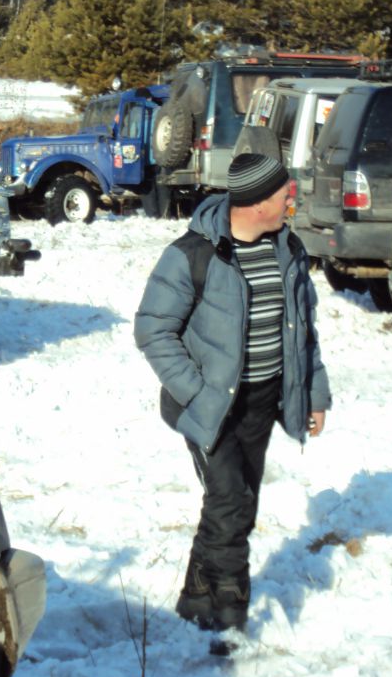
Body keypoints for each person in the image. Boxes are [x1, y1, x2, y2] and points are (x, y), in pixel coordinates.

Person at [134, 152, 332, 636]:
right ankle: (228, 618)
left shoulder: (287, 249)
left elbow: (303, 331)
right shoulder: (193, 254)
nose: (291, 201)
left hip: (261, 401)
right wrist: (197, 392)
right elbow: (152, 330)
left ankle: (196, 597)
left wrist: (314, 393)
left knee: (237, 504)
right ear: (259, 202)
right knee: (231, 503)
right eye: (284, 194)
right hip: (209, 408)